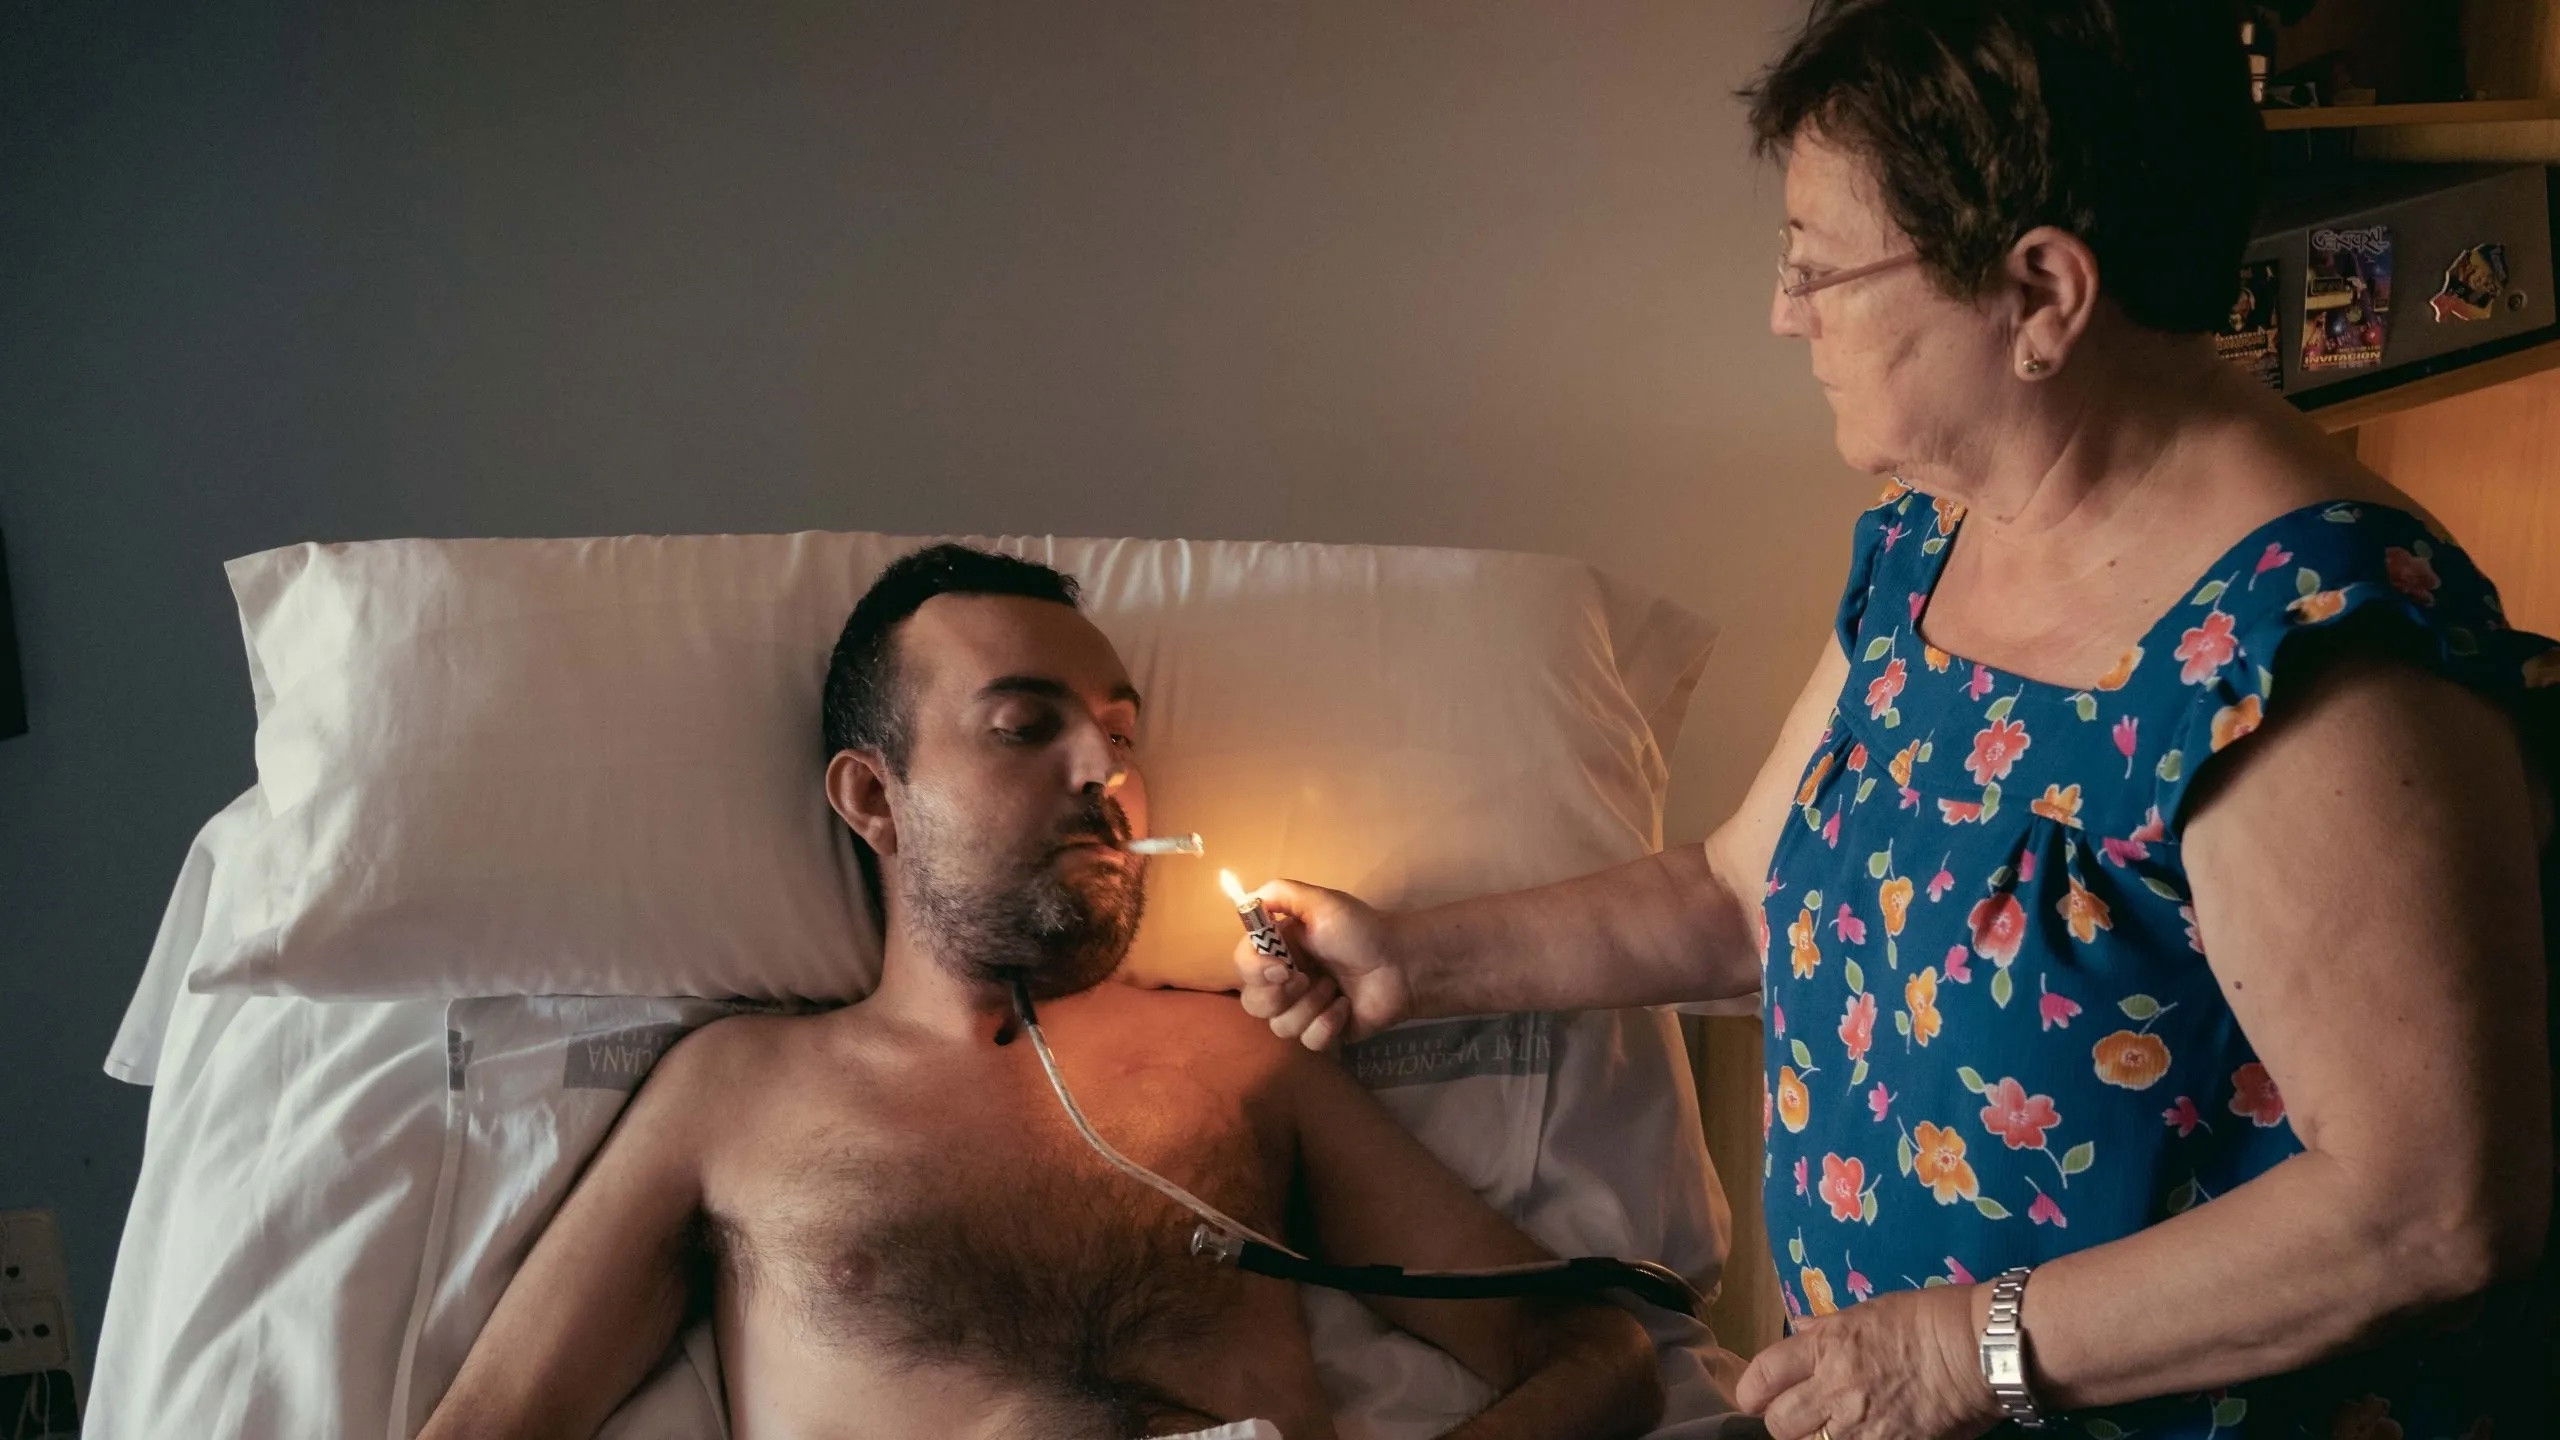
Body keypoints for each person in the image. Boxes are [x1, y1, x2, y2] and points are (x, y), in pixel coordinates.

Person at [1232, 4, 2559, 1438]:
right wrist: (1408, 962)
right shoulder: (1932, 538)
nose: (1783, 313)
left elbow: (2427, 1211)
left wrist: (1963, 1359)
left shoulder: (2307, 655)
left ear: (2039, 293)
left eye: (1816, 266)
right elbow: (1741, 899)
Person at [420, 545, 1666, 1440]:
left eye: (1121, 738)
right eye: (1026, 728)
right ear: (873, 798)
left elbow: (1593, 1354)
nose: (1103, 774)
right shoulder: (735, 1095)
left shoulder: (1239, 1066)